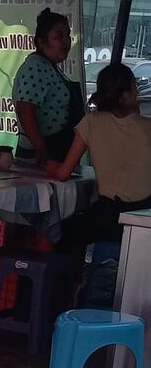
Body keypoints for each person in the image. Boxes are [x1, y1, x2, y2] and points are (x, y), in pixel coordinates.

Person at [47, 63, 151, 248]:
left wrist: (48, 165)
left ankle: (72, 277)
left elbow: (63, 173)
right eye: (134, 87)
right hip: (143, 219)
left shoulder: (91, 122)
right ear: (126, 95)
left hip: (108, 218)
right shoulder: (147, 127)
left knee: (63, 232)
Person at [12, 8, 84, 165]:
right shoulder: (36, 67)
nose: (66, 41)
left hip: (57, 150)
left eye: (67, 35)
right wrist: (41, 149)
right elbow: (25, 109)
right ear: (41, 41)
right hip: (41, 155)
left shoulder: (49, 66)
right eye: (59, 36)